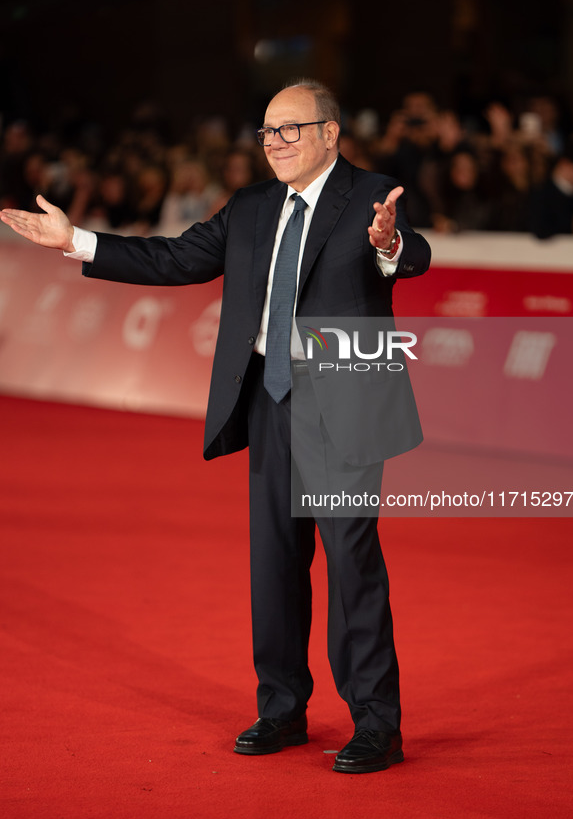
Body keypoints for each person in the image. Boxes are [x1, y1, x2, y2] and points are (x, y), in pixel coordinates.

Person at [0, 80, 431, 774]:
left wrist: (388, 245)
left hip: (344, 400)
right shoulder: (252, 206)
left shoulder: (370, 193)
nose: (275, 143)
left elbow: (410, 252)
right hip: (268, 396)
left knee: (351, 564)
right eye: (266, 131)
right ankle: (282, 708)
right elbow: (175, 259)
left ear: (330, 134)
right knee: (274, 563)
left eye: (290, 130)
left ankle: (376, 722)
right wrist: (75, 239)